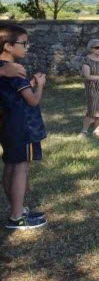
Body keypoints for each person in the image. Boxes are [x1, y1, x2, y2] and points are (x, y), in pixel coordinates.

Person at [0, 24, 47, 230]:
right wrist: (40, 85)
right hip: (23, 126)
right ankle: (17, 217)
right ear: (8, 46)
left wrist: (30, 85)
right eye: (23, 43)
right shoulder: (15, 70)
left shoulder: (4, 69)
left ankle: (16, 209)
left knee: (11, 165)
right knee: (21, 168)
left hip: (8, 124)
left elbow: (15, 94)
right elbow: (32, 101)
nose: (27, 47)